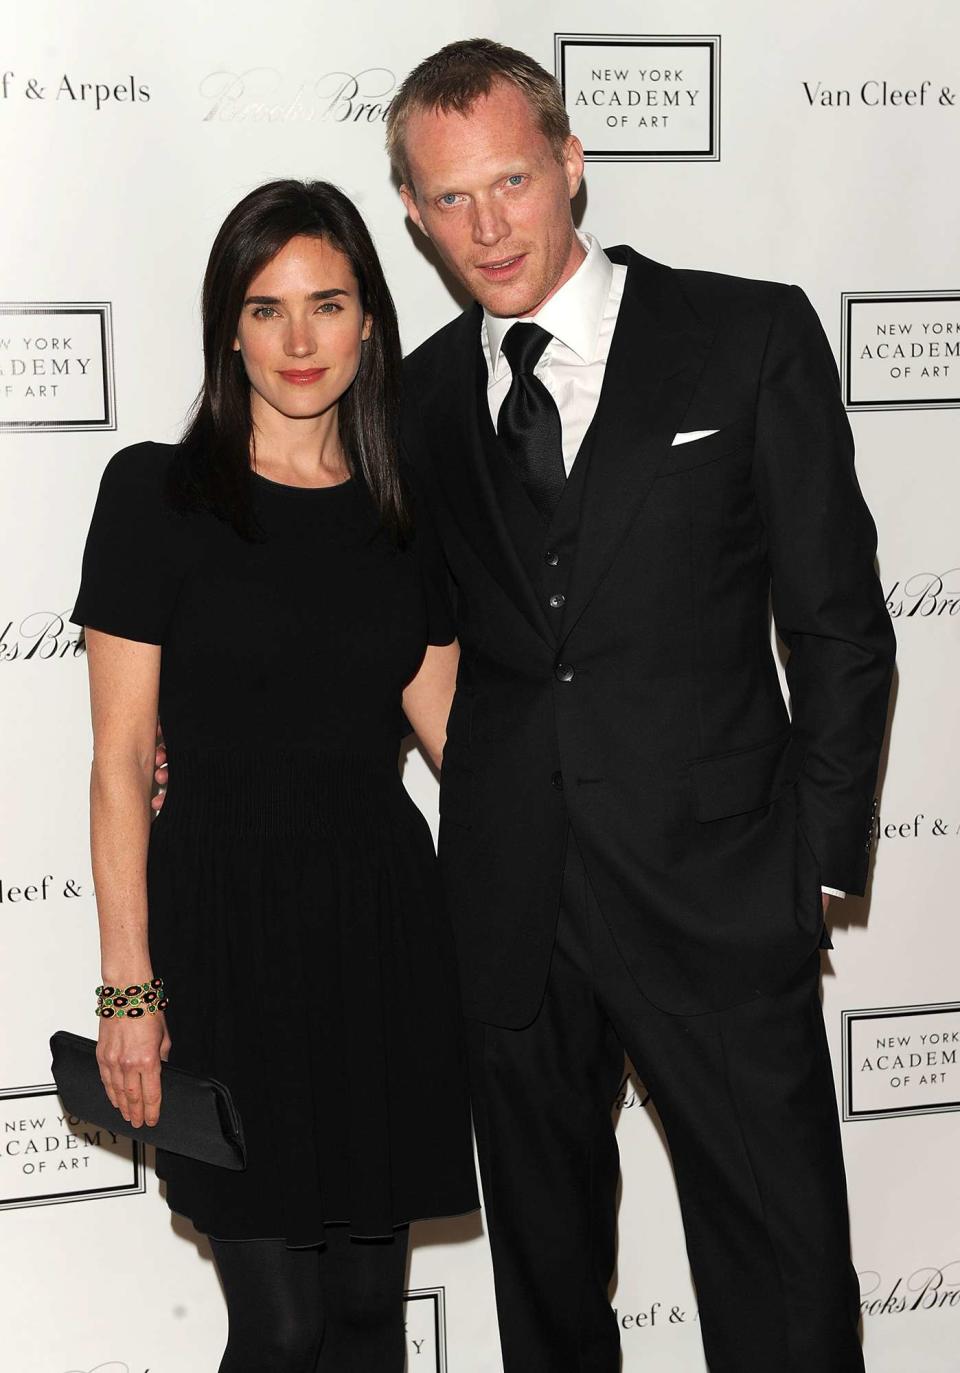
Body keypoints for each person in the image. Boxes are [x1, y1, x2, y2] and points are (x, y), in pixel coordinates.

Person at [385, 38, 896, 1373]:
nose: (487, 225)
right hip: (514, 916)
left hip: (720, 896)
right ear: (414, 214)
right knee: (549, 1303)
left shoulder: (745, 335)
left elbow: (839, 625)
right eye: (450, 198)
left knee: (783, 1293)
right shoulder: (423, 399)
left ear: (570, 163)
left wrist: (811, 866)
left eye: (509, 180)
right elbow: (405, 629)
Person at [72, 178, 478, 1373]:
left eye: (328, 304)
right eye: (266, 308)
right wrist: (130, 992)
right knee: (281, 1322)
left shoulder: (408, 513)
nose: (299, 341)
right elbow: (116, 763)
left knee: (363, 1316)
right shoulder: (156, 494)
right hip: (225, 935)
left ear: (370, 321)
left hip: (382, 932)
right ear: (228, 326)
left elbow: (464, 740)